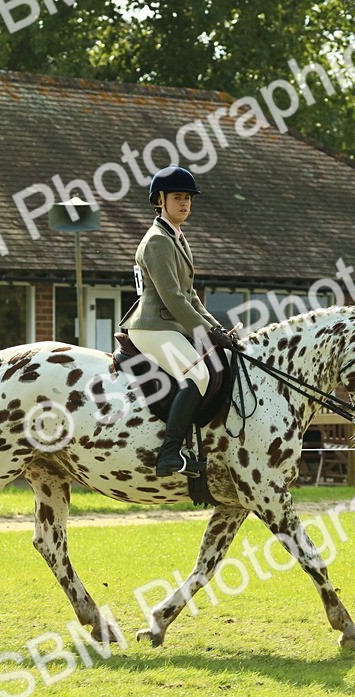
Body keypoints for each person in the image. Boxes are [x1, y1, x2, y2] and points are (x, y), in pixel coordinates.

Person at [119, 166, 238, 477]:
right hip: (153, 325)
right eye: (177, 197)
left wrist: (217, 329)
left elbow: (192, 297)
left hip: (169, 324)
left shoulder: (176, 238)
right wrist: (206, 333)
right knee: (198, 375)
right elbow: (173, 299)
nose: (184, 203)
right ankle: (169, 453)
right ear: (160, 199)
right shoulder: (158, 241)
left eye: (188, 198)